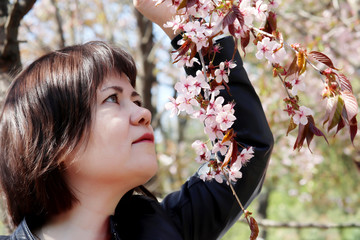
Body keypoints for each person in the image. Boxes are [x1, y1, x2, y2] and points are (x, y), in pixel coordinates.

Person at [0, 0, 273, 239]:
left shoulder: (165, 229)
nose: (144, 114)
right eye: (112, 99)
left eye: (136, 100)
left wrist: (190, 33)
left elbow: (245, 148)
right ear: (54, 142)